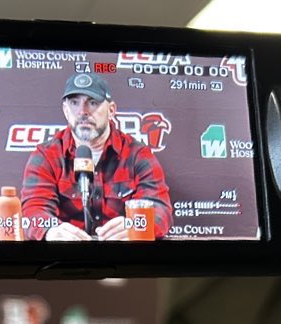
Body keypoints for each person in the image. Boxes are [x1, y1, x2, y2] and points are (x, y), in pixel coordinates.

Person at [21, 73, 172, 241]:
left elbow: (161, 211)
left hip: (123, 258)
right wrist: (51, 231)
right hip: (65, 259)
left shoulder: (137, 154)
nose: (82, 111)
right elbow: (32, 211)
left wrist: (136, 225)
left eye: (92, 103)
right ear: (65, 110)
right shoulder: (46, 156)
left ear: (111, 110)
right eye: (74, 103)